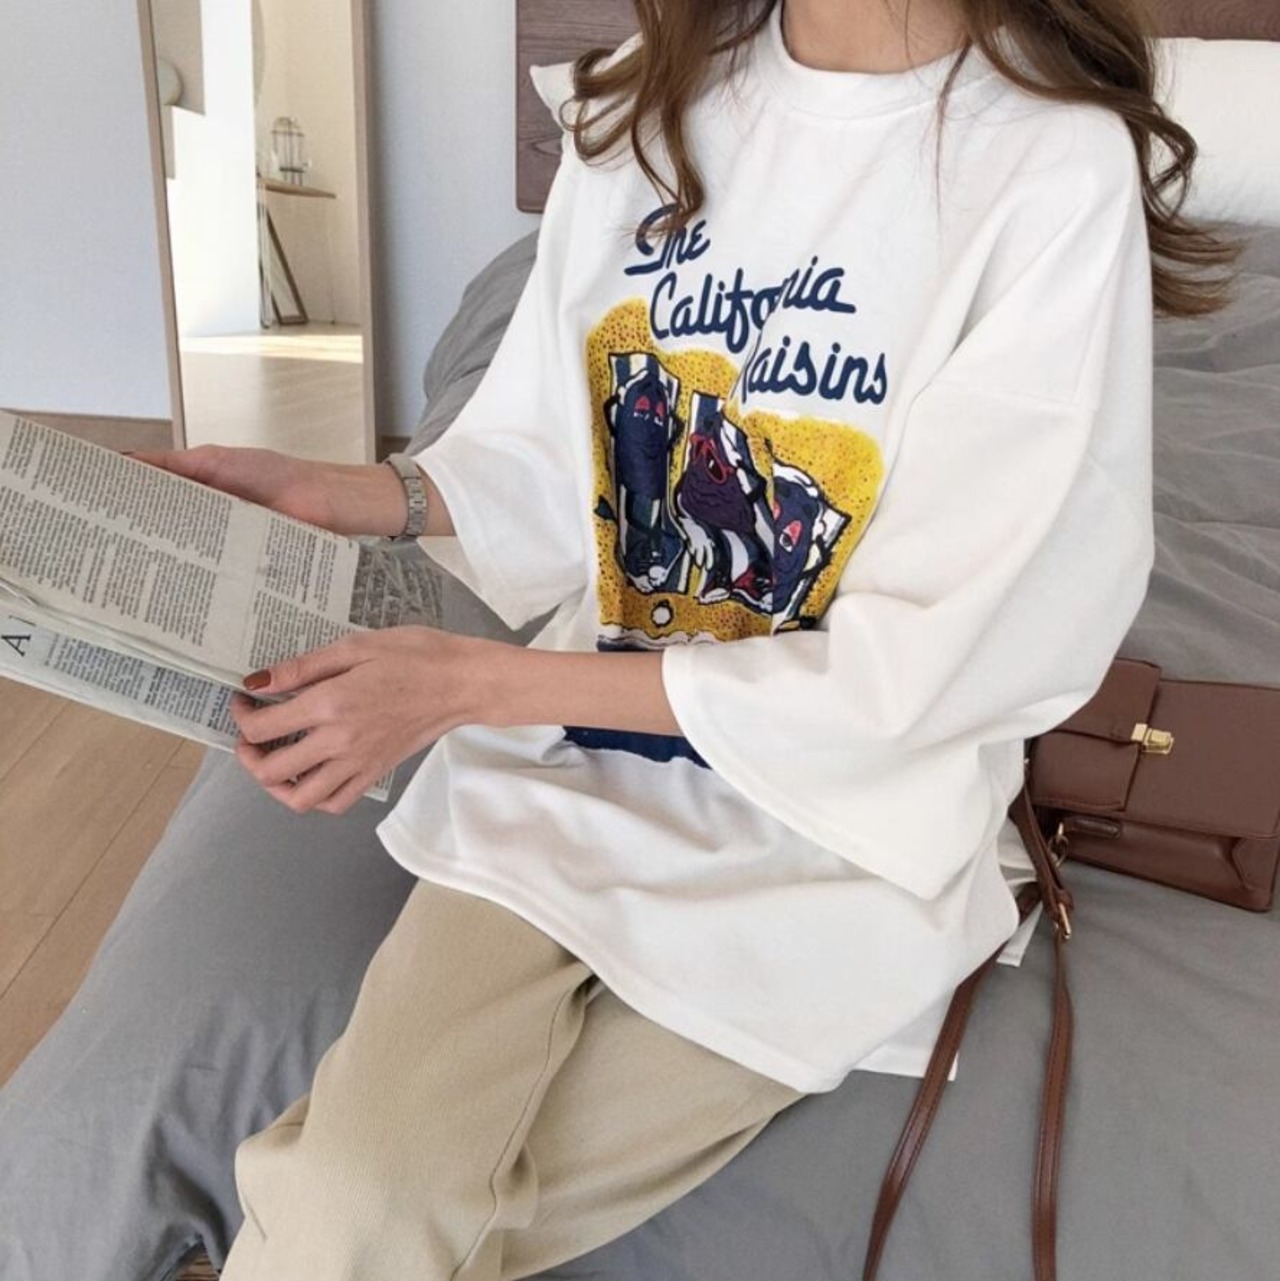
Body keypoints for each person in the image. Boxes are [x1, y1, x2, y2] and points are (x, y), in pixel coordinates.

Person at [138, 0, 1238, 1276]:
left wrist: (474, 686)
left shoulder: (1048, 164)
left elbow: (924, 660)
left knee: (383, 1224)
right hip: (568, 771)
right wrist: (361, 493)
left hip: (839, 827)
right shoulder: (641, 105)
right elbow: (555, 460)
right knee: (357, 1195)